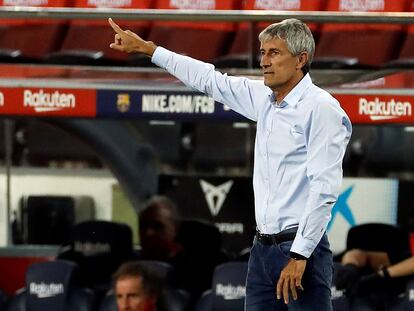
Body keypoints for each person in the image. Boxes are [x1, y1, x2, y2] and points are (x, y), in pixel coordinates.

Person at [108, 17, 352, 310]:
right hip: (262, 249)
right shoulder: (264, 98)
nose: (264, 61)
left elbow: (324, 190)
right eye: (262, 52)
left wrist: (300, 255)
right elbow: (210, 79)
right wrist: (151, 50)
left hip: (300, 249)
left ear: (301, 59)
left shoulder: (322, 109)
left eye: (274, 53)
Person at [138, 195, 181, 262]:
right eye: (143, 226)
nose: (148, 233)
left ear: (176, 229)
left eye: (157, 226)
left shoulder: (189, 266)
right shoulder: (131, 264)